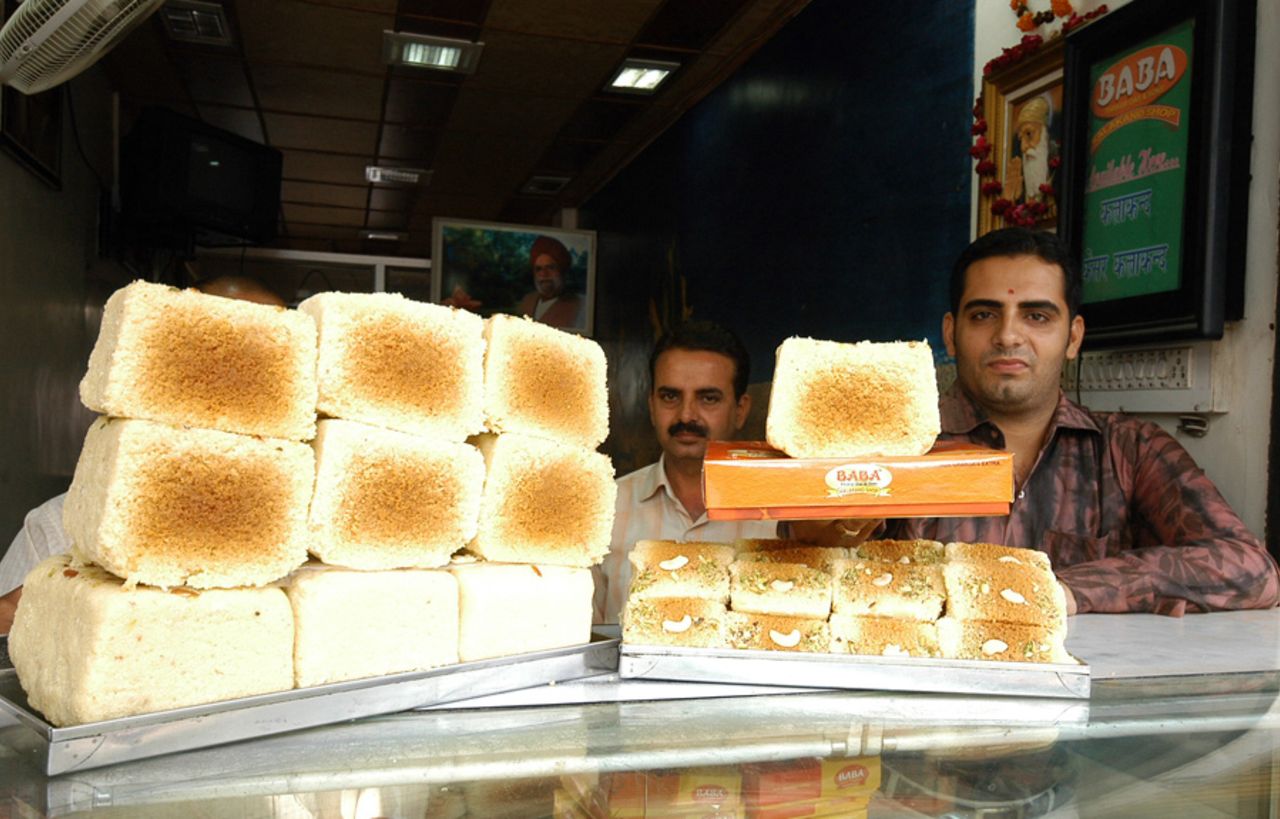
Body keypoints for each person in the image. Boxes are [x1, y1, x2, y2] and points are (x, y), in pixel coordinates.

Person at [883, 227, 1278, 615]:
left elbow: (1252, 570)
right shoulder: (895, 447)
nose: (1008, 336)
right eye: (985, 314)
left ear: (1073, 337)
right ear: (951, 334)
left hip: (1091, 677)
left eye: (1036, 316)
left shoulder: (1129, 450)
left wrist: (1067, 590)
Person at [0, 276, 288, 634]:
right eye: (212, 359)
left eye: (262, 365)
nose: (231, 385)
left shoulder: (316, 533)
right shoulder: (63, 524)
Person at [594, 321, 777, 623]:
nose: (686, 415)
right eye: (670, 396)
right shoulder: (604, 506)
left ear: (741, 410)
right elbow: (589, 640)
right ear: (651, 405)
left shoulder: (782, 515)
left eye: (708, 398)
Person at [1003, 95, 1059, 213]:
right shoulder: (1020, 178)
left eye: (1029, 134)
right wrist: (1012, 200)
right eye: (1020, 139)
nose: (1023, 148)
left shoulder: (1059, 170)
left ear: (1045, 134)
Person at [517, 235, 584, 329]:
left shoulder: (581, 306)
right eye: (538, 269)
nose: (544, 274)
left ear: (562, 271)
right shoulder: (527, 301)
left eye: (550, 267)